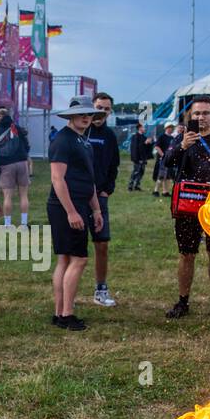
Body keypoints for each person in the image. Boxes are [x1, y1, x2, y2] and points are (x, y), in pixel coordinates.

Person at [165, 96, 210, 320]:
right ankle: (183, 301)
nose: (201, 117)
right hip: (188, 205)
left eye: (205, 113)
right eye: (197, 114)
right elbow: (166, 161)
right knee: (187, 254)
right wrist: (183, 146)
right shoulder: (183, 138)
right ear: (190, 116)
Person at [46, 97, 104, 331]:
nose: (86, 117)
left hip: (81, 205)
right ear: (70, 115)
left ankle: (60, 312)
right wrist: (71, 211)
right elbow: (57, 179)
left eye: (89, 113)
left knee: (66, 259)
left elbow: (87, 180)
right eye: (81, 113)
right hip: (65, 207)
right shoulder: (63, 140)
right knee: (79, 259)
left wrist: (96, 208)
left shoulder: (84, 141)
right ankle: (67, 314)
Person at [86, 92, 120, 307]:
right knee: (75, 248)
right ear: (92, 106)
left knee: (102, 244)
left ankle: (101, 288)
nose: (102, 112)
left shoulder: (109, 136)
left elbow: (114, 166)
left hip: (100, 197)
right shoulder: (80, 130)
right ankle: (66, 290)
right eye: (99, 107)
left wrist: (107, 190)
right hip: (79, 197)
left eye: (106, 109)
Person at [0, 110, 32, 229]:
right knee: (24, 195)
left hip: (6, 166)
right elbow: (27, 145)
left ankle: (7, 224)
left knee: (7, 196)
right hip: (22, 163)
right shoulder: (18, 129)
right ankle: (24, 224)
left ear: (0, 117)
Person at [152, 122, 176, 197]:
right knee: (161, 176)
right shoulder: (161, 136)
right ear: (166, 128)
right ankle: (155, 191)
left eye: (172, 127)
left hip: (170, 160)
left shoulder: (172, 138)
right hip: (162, 160)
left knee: (168, 177)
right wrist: (163, 155)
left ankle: (165, 192)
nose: (171, 129)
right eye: (169, 127)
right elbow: (157, 147)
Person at [128, 124, 153, 191]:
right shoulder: (135, 136)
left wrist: (150, 143)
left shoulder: (144, 137)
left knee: (141, 172)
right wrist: (136, 159)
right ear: (139, 128)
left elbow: (146, 148)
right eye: (143, 127)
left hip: (143, 158)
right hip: (138, 158)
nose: (145, 129)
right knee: (136, 171)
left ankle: (137, 185)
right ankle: (130, 186)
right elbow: (135, 148)